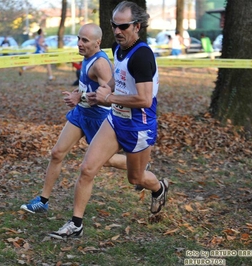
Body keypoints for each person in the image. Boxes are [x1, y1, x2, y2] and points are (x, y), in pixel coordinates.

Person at [49, 1, 168, 240]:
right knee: (87, 169)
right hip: (115, 119)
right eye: (114, 25)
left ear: (137, 26)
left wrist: (110, 97)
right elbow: (118, 78)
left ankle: (159, 187)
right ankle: (76, 225)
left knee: (136, 178)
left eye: (123, 26)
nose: (117, 31)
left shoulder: (142, 56)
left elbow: (145, 100)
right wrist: (97, 94)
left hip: (138, 125)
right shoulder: (119, 48)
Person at [20, 23, 127, 214]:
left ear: (98, 42)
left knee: (108, 161)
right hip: (81, 114)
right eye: (78, 38)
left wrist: (81, 97)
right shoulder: (86, 57)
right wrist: (77, 93)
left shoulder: (101, 64)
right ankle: (43, 201)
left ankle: (137, 166)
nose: (79, 43)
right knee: (57, 153)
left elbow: (108, 99)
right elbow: (88, 86)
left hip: (98, 118)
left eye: (85, 40)